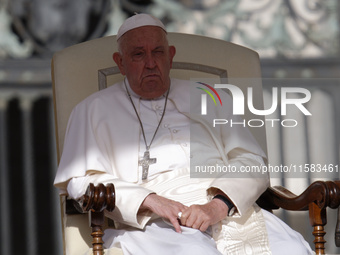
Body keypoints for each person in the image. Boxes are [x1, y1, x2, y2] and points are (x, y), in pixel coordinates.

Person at [54, 14, 313, 255]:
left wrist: (217, 206)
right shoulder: (92, 110)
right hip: (155, 224)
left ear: (171, 56)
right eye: (138, 54)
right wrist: (148, 200)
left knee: (290, 249)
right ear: (120, 63)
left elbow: (252, 161)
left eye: (158, 52)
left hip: (228, 211)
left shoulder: (210, 97)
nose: (151, 63)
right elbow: (79, 181)